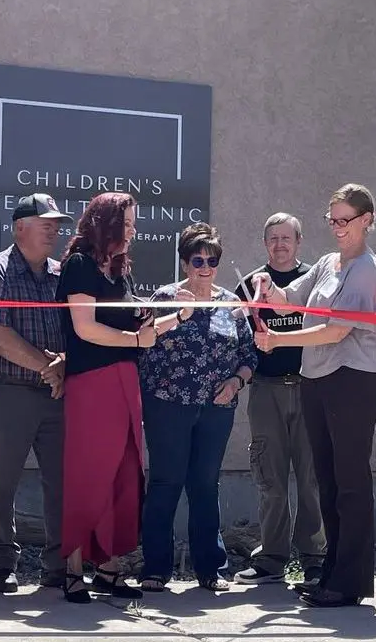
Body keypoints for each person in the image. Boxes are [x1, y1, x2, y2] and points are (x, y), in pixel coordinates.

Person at [251, 183, 376, 608]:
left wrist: (277, 341)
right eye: (332, 220)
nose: (337, 228)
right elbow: (294, 298)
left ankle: (351, 580)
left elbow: (336, 329)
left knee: (350, 481)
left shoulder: (366, 268)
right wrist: (270, 292)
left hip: (352, 379)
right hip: (318, 377)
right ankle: (331, 572)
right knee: (326, 480)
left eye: (345, 220)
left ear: (366, 220)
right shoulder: (328, 262)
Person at [55, 191, 193, 604]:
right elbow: (85, 328)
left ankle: (108, 565)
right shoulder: (79, 265)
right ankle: (73, 568)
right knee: (89, 471)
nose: (133, 232)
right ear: (107, 224)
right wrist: (136, 337)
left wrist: (180, 315)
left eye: (134, 224)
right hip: (92, 382)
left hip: (124, 379)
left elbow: (142, 335)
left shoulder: (119, 272)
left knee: (124, 470)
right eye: (127, 224)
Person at [139, 223, 258, 593]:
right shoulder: (164, 298)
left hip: (216, 409)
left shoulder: (231, 305)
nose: (205, 267)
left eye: (212, 260)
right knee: (164, 483)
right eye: (197, 259)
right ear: (184, 262)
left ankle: (211, 569)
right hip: (168, 407)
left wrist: (236, 381)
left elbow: (249, 354)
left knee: (205, 486)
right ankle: (156, 569)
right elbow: (143, 348)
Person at [0, 194, 72, 593]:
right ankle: (0, 565)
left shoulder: (63, 275)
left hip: (57, 393)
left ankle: (59, 565)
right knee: (1, 482)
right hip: (5, 392)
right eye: (43, 221)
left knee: (62, 482)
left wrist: (63, 364)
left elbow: (74, 331)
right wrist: (48, 366)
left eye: (56, 223)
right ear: (18, 227)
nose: (53, 229)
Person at [233, 213, 326, 589]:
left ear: (299, 242)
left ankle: (315, 557)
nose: (279, 245)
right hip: (266, 390)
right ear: (265, 243)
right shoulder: (250, 285)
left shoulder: (313, 284)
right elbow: (239, 340)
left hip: (309, 388)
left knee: (311, 479)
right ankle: (271, 557)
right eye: (272, 239)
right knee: (269, 478)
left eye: (286, 238)